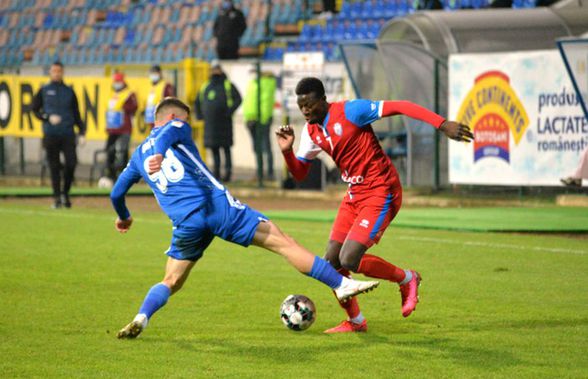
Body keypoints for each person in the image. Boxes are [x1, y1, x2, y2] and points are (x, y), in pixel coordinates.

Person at [111, 97, 379, 339]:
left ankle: (141, 318)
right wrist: (159, 150)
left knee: (171, 280)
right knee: (283, 242)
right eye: (184, 118)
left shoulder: (136, 157)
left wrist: (124, 217)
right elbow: (168, 133)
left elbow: (116, 193)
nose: (187, 123)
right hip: (219, 209)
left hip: (186, 224)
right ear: (172, 117)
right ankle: (341, 284)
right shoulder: (176, 127)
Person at [275, 77, 474, 333]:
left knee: (350, 259)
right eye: (301, 106)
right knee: (331, 264)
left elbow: (401, 105)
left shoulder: (351, 111)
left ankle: (407, 278)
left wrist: (442, 123)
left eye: (309, 104)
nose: (305, 111)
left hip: (382, 191)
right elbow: (300, 174)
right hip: (355, 194)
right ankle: (356, 322)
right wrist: (287, 152)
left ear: (323, 100)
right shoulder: (312, 131)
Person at [32, 61, 86, 209]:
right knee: (54, 166)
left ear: (63, 72)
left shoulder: (69, 91)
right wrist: (47, 117)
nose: (56, 73)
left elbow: (76, 113)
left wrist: (81, 132)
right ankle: (57, 198)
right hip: (51, 134)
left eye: (59, 71)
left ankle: (65, 193)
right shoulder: (44, 90)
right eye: (54, 71)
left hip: (68, 133)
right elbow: (35, 109)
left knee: (71, 163)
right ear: (50, 72)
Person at [194, 61, 241, 182]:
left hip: (225, 123)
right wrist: (200, 116)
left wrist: (229, 112)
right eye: (213, 69)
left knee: (226, 148)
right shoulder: (206, 86)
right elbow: (197, 102)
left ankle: (228, 173)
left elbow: (238, 99)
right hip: (210, 124)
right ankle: (216, 173)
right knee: (214, 149)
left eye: (216, 69)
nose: (215, 72)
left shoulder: (227, 85)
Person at [243, 67, 277, 180]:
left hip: (261, 120)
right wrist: (248, 117)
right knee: (258, 148)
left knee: (265, 146)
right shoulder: (254, 83)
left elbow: (265, 103)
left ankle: (268, 173)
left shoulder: (265, 83)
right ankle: (260, 172)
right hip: (252, 119)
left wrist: (262, 119)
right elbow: (249, 101)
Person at [104, 72, 138, 181]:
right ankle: (111, 175)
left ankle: (123, 176)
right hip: (112, 129)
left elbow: (133, 107)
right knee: (109, 151)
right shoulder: (110, 93)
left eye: (118, 81)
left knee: (122, 152)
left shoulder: (129, 94)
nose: (116, 84)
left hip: (124, 128)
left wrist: (125, 107)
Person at [144, 65, 175, 129]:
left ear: (160, 73)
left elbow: (170, 102)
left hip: (162, 119)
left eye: (155, 73)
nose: (153, 75)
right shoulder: (150, 86)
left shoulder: (166, 86)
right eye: (152, 73)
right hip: (151, 119)